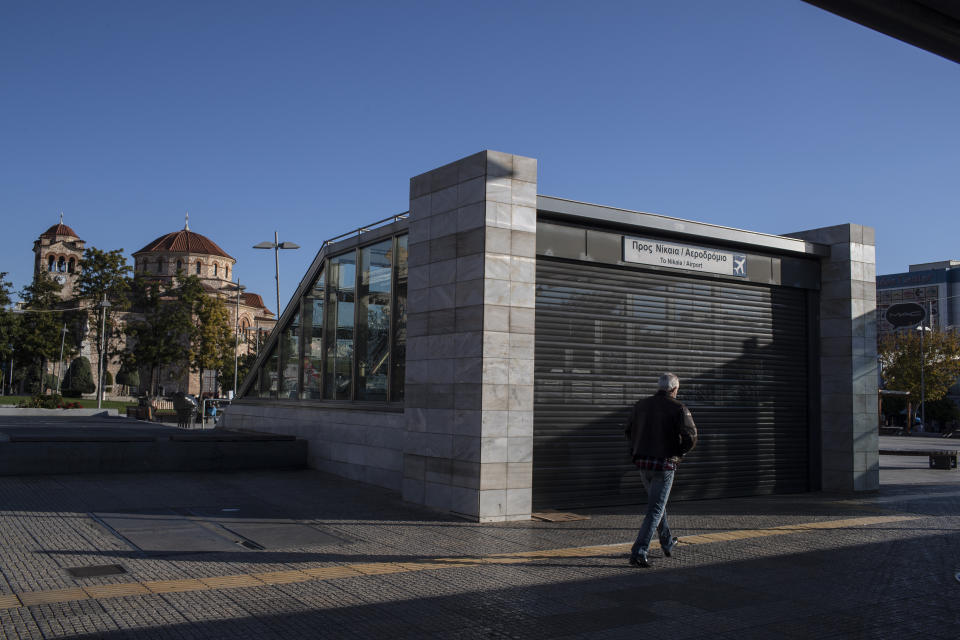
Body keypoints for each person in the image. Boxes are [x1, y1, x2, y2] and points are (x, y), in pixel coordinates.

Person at [624, 372, 698, 568]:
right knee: (655, 509)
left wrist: (637, 451)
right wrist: (678, 452)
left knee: (658, 505)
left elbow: (628, 431)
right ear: (674, 389)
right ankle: (639, 552)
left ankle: (667, 541)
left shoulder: (640, 406)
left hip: (643, 464)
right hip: (664, 465)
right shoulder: (678, 408)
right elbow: (691, 436)